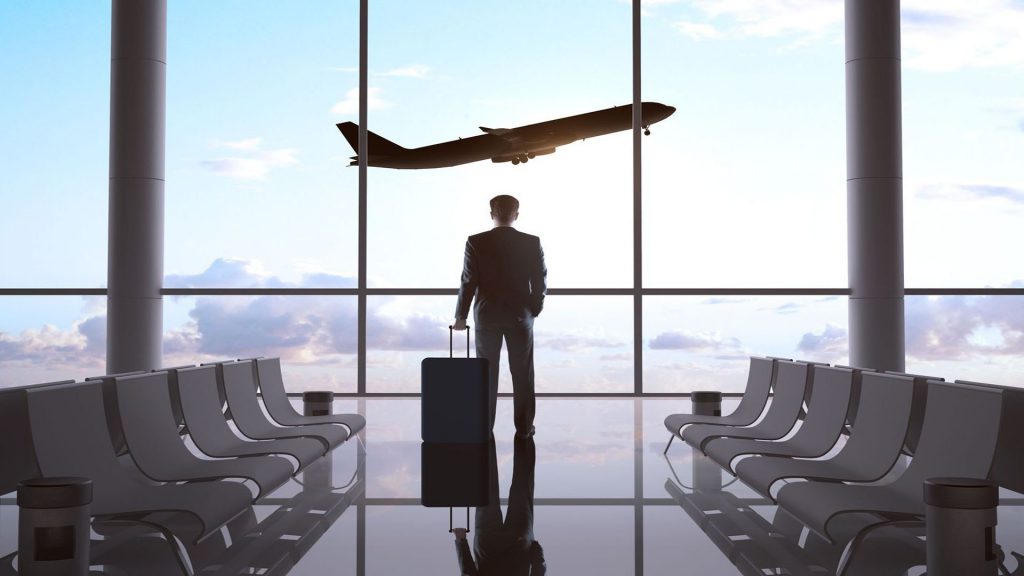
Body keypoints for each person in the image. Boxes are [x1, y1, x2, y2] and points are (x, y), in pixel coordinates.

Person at [453, 194, 547, 439]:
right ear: (516, 215)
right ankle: (525, 428)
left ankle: (484, 426)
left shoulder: (476, 241)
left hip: (487, 316)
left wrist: (461, 316)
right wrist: (534, 309)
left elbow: (468, 281)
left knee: (486, 373)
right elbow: (540, 279)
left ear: (491, 214)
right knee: (523, 373)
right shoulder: (531, 242)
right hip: (520, 316)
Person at [453, 436, 545, 576]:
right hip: (488, 548)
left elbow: (539, 570)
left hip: (518, 544)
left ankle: (524, 430)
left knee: (522, 483)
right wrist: (461, 541)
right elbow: (468, 573)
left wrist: (535, 549)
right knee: (486, 484)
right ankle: (484, 426)